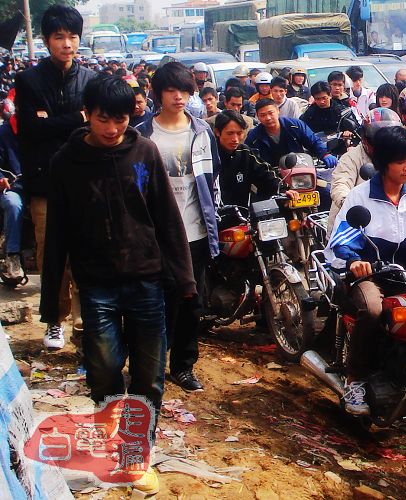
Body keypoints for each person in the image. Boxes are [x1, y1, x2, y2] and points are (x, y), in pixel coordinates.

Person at [40, 75, 195, 496]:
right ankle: (112, 435)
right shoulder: (67, 162)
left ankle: (135, 453)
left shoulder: (144, 152)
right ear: (87, 115)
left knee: (149, 374)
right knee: (104, 367)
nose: (112, 129)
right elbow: (56, 234)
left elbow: (167, 217)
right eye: (103, 119)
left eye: (121, 120)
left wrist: (184, 277)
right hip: (96, 285)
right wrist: (52, 301)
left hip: (147, 280)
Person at [325, 126, 406, 415]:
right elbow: (342, 241)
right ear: (383, 162)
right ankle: (355, 380)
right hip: (370, 277)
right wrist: (353, 261)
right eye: (400, 161)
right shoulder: (360, 197)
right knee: (372, 310)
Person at [135, 62, 221, 393]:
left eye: (184, 90)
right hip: (155, 235)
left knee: (191, 301)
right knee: (157, 301)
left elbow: (211, 179)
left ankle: (183, 366)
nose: (178, 97)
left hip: (195, 232)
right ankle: (152, 362)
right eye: (171, 90)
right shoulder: (143, 134)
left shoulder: (201, 133)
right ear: (158, 94)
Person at [15, 4, 93, 350]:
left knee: (85, 254)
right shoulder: (29, 81)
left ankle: (83, 321)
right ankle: (54, 321)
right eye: (59, 37)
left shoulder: (90, 80)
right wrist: (75, 118)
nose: (67, 43)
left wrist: (53, 120)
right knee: (51, 257)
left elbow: (92, 127)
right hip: (44, 183)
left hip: (84, 182)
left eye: (72, 36)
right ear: (46, 40)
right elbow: (31, 130)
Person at [328, 107, 403, 232]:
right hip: (352, 225)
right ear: (366, 138)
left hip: (388, 221)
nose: (386, 146)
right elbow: (340, 183)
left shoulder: (399, 157)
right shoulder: (351, 158)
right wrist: (350, 204)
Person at [213, 109, 298, 207]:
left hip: (242, 212)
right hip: (215, 213)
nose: (235, 139)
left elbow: (264, 174)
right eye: (230, 133)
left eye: (239, 133)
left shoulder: (245, 152)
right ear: (217, 132)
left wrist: (283, 191)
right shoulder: (209, 156)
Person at [246, 98, 337, 170]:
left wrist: (324, 154)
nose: (268, 118)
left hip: (299, 169)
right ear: (257, 116)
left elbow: (313, 141)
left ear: (278, 111)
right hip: (271, 175)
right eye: (263, 115)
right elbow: (248, 158)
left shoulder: (295, 125)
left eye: (271, 113)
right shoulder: (254, 136)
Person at [0, 107, 23, 282]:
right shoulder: (3, 132)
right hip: (12, 187)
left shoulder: (39, 131)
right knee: (14, 204)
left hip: (36, 186)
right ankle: (12, 255)